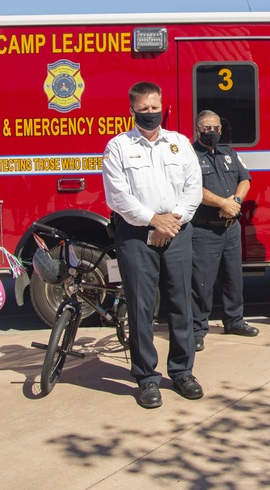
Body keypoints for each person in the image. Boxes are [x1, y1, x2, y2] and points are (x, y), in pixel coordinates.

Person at [102, 81, 204, 409]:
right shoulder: (117, 147)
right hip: (136, 236)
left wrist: (171, 221)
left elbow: (194, 187)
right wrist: (152, 220)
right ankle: (146, 377)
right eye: (144, 109)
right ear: (131, 110)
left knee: (180, 304)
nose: (151, 114)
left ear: (163, 106)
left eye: (155, 107)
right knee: (141, 308)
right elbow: (118, 196)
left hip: (176, 231)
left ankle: (182, 371)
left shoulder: (179, 143)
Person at [190, 110, 258, 352]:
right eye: (206, 129)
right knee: (202, 284)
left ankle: (234, 321)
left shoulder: (229, 152)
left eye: (216, 128)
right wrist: (222, 203)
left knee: (233, 280)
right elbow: (192, 189)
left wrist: (236, 202)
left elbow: (245, 179)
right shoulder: (190, 155)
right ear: (197, 130)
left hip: (231, 228)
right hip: (204, 231)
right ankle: (197, 330)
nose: (212, 133)